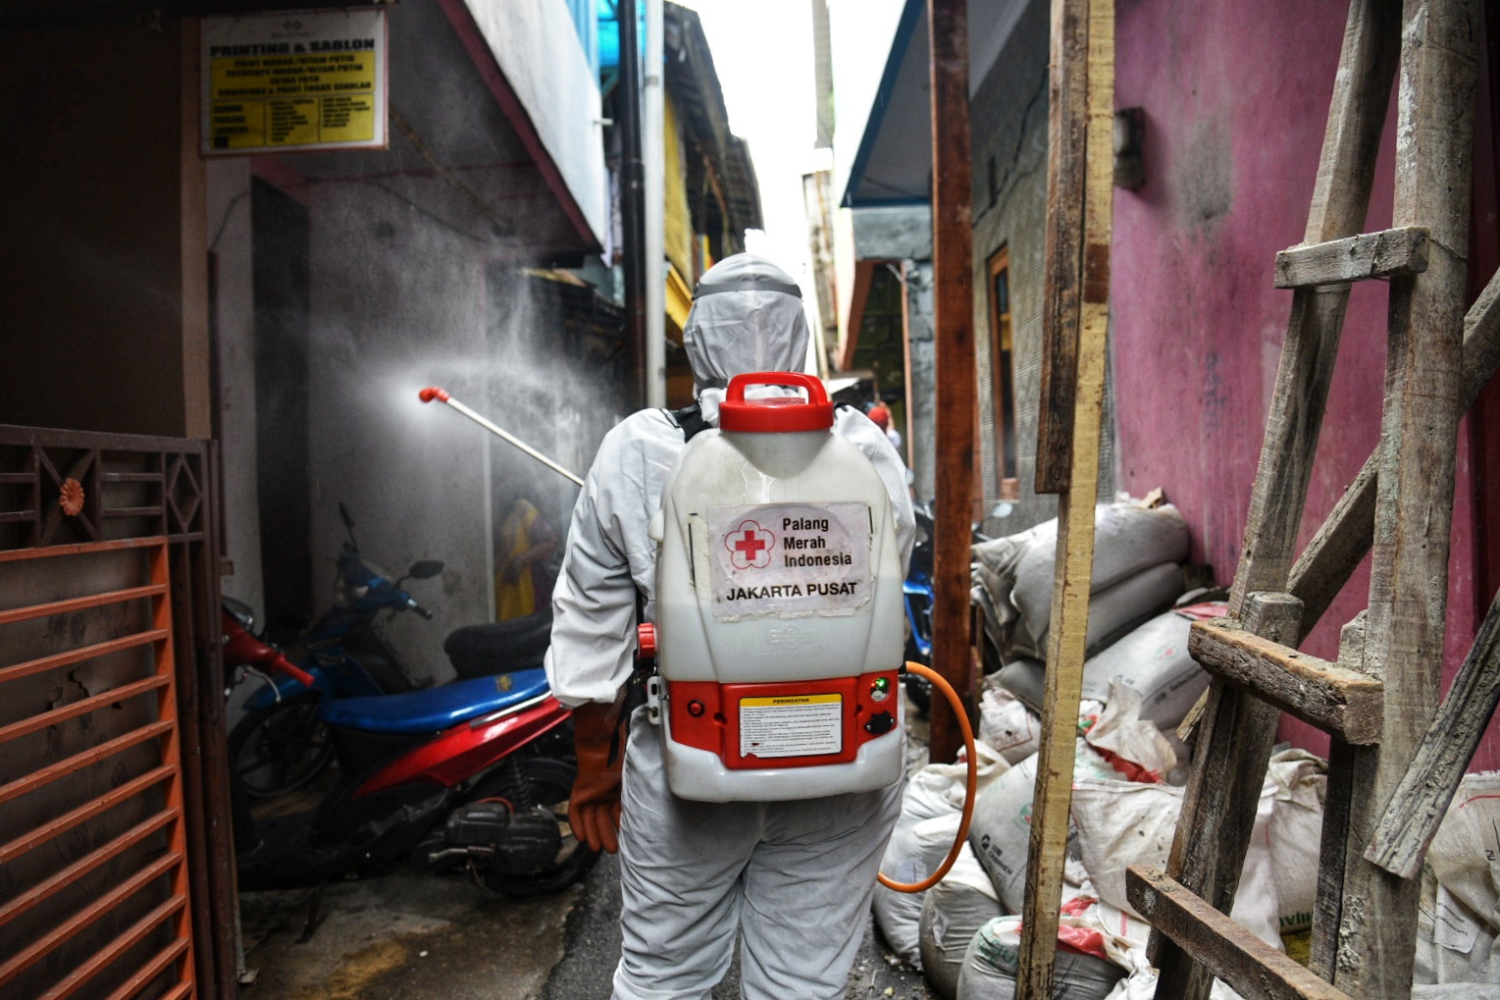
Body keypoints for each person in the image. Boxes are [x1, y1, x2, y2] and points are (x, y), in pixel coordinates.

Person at [544, 253, 915, 1000]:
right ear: (800, 337)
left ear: (696, 339)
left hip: (691, 760)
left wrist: (594, 766)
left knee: (665, 976)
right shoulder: (864, 447)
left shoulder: (641, 448)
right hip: (844, 765)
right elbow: (885, 573)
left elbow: (591, 619)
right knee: (802, 983)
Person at [494, 496, 557, 620]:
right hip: (499, 602)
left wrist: (521, 560)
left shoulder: (521, 509)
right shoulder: (484, 514)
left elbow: (550, 541)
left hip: (525, 598)